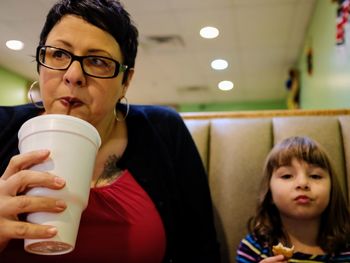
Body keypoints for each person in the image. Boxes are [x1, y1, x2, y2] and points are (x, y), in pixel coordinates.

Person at [0, 0, 221, 262]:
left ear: (125, 81)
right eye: (58, 54)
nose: (73, 75)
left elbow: (201, 249)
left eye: (97, 61)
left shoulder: (163, 131)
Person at [236, 136, 350, 262]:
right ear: (269, 194)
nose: (302, 183)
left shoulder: (346, 249)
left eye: (315, 176)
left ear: (332, 191)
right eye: (287, 176)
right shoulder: (254, 249)